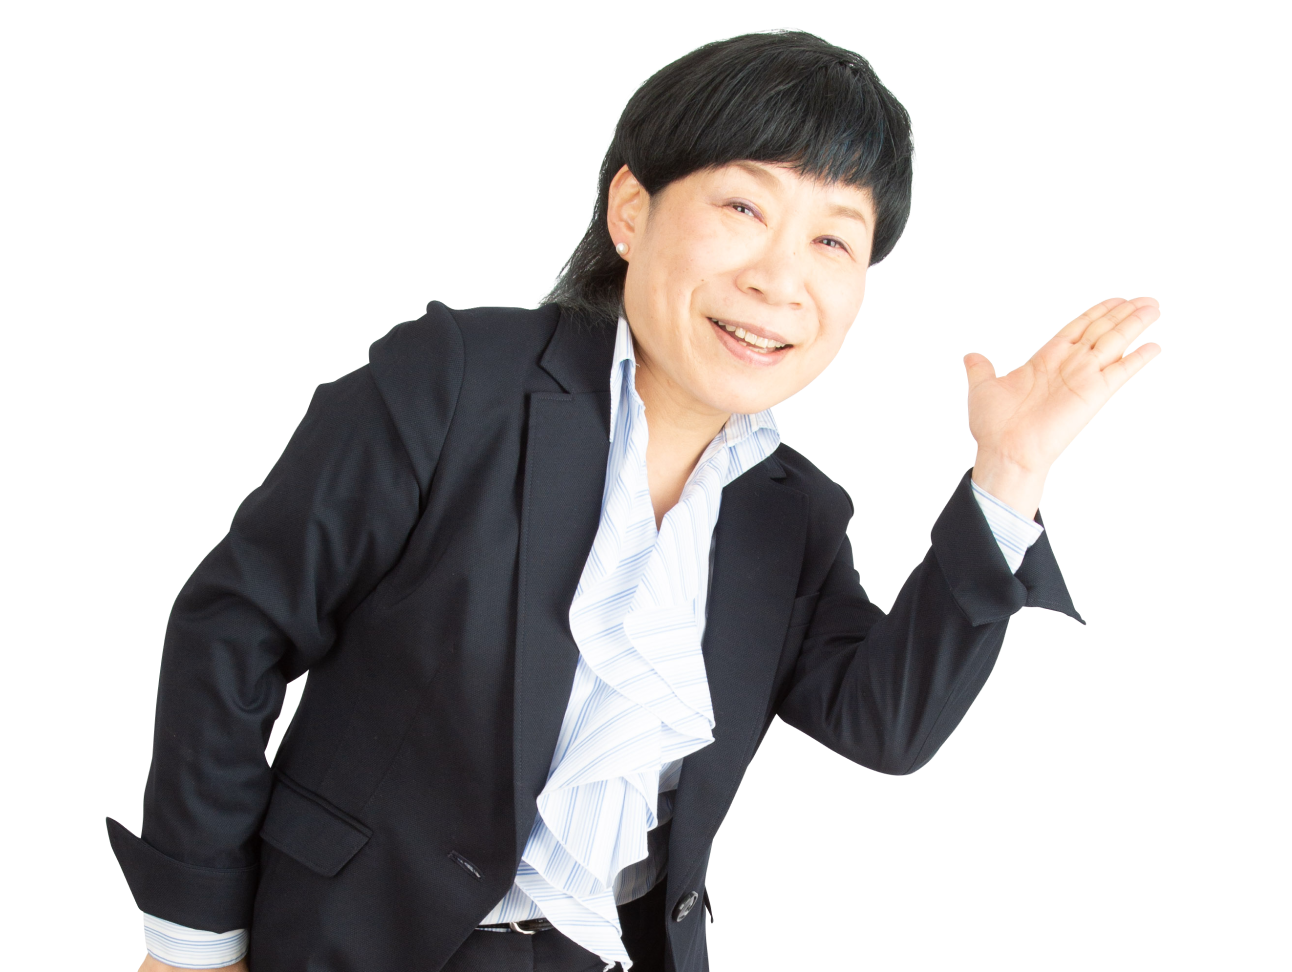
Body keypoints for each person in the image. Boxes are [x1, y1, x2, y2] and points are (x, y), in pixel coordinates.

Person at [110, 28, 1162, 972]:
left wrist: (1007, 474)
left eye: (833, 240)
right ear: (630, 210)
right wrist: (193, 940)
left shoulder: (793, 512)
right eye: (743, 207)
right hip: (351, 940)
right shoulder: (454, 381)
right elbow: (237, 630)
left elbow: (884, 726)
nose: (778, 279)